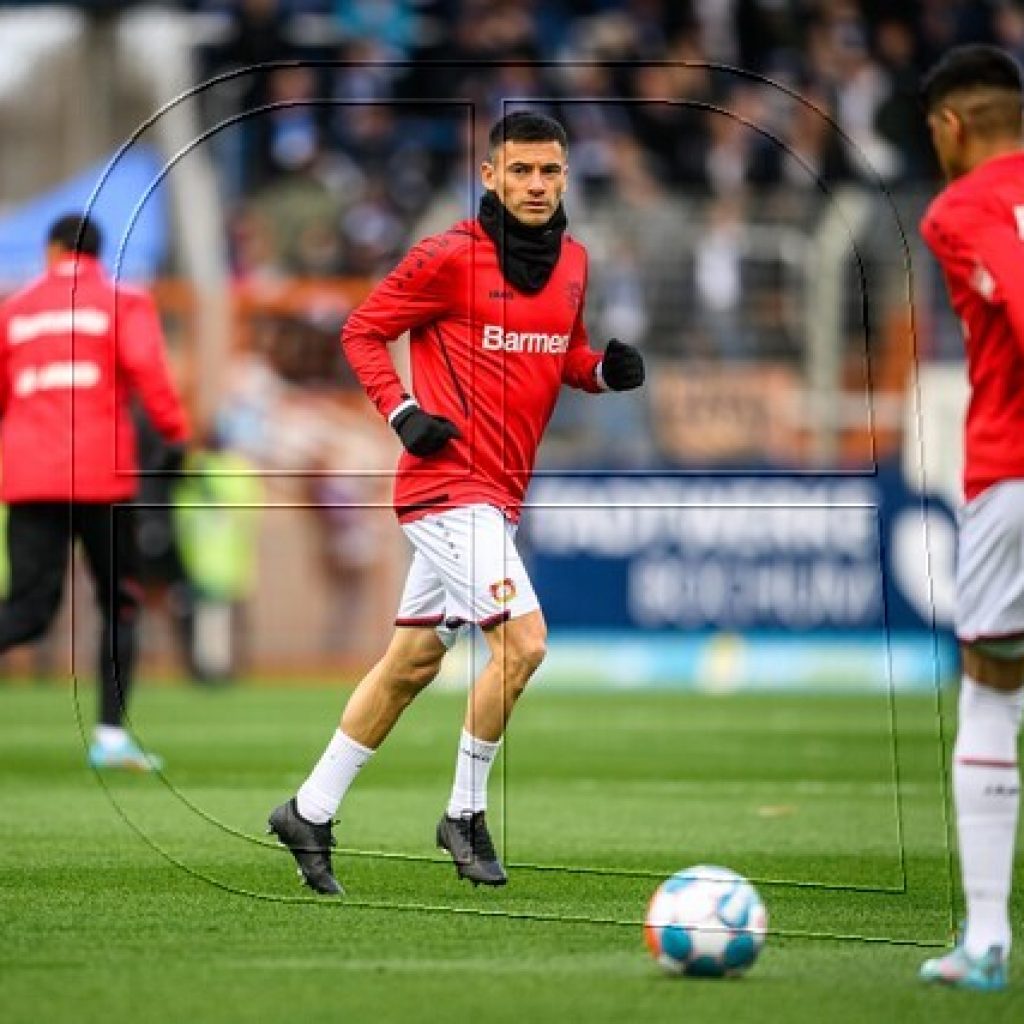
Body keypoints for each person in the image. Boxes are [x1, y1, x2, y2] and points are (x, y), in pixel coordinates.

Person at [268, 111, 645, 894]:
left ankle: (310, 809)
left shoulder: (573, 263)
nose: (536, 186)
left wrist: (602, 372)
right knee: (525, 644)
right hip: (446, 490)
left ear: (566, 176)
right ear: (490, 178)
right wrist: (402, 412)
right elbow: (362, 330)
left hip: (499, 496)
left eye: (549, 172)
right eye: (520, 172)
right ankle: (464, 814)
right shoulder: (447, 257)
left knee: (411, 663)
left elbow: (557, 355)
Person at [0, 214, 190, 770]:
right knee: (120, 603)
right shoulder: (122, 303)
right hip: (101, 478)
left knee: (30, 612)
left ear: (52, 249)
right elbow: (148, 370)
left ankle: (111, 738)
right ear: (100, 253)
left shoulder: (15, 308)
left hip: (31, 477)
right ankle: (110, 739)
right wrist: (175, 437)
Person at [917, 45, 1024, 991]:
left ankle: (988, 941)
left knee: (993, 686)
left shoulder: (961, 207)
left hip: (1012, 476)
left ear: (952, 126)